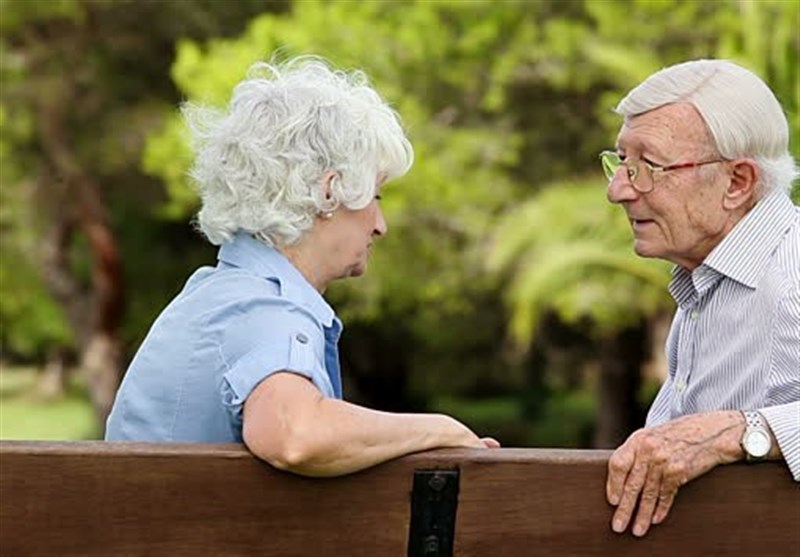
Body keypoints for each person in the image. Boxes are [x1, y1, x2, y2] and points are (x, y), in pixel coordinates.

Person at [105, 55, 499, 476]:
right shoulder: (261, 308)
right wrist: (438, 429)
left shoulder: (216, 296)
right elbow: (293, 435)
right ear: (329, 192)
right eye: (376, 198)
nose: (380, 226)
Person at [600, 59, 799, 537]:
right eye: (621, 162)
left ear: (737, 183)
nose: (618, 190)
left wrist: (738, 433)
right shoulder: (705, 280)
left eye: (648, 165)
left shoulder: (792, 268)